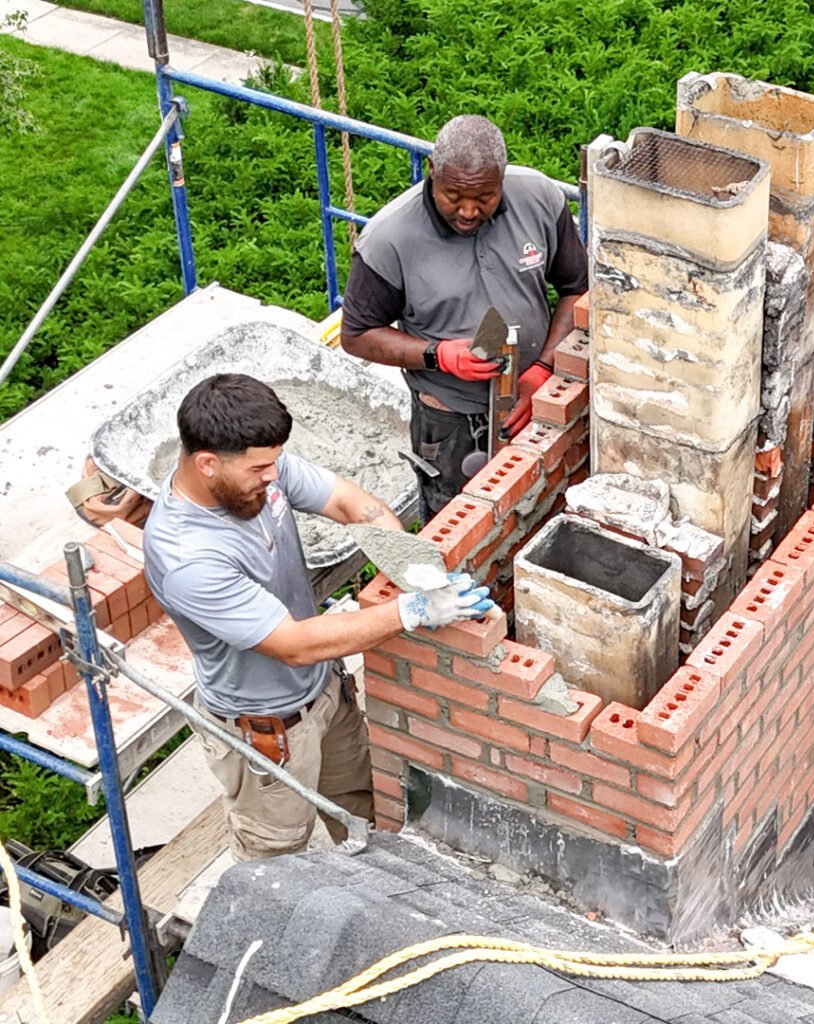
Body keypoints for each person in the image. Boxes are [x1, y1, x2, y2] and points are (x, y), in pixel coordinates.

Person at [143, 373, 492, 862]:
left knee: (362, 812)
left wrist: (406, 561)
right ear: (207, 464)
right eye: (260, 469)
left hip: (325, 693)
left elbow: (350, 503)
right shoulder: (188, 557)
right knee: (277, 853)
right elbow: (295, 643)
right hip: (269, 730)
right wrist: (412, 609)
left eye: (275, 463)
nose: (273, 476)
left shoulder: (257, 469)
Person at [341, 114, 588, 519]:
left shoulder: (540, 200)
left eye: (485, 197)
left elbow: (576, 288)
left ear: (503, 179)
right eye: (453, 195)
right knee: (457, 520)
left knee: (540, 507)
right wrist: (439, 355)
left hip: (533, 399)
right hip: (450, 417)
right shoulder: (390, 239)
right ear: (432, 172)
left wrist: (543, 369)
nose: (469, 210)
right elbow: (356, 335)